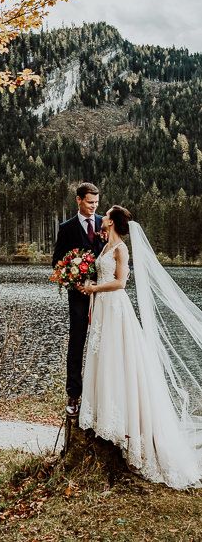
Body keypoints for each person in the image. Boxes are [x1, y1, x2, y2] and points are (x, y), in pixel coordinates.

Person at [78, 206, 202, 489]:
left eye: (106, 214)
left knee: (116, 359)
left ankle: (124, 425)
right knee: (102, 357)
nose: (103, 216)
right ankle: (103, 412)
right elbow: (103, 274)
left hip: (115, 310)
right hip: (102, 311)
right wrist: (91, 285)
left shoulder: (121, 248)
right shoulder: (105, 245)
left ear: (113, 221)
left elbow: (120, 283)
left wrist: (93, 289)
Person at [52, 182, 104, 416]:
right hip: (79, 297)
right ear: (79, 200)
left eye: (96, 202)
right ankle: (74, 395)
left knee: (105, 342)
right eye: (89, 202)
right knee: (77, 343)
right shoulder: (67, 228)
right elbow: (57, 262)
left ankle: (102, 394)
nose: (94, 206)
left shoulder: (106, 222)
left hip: (105, 295)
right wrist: (76, 281)